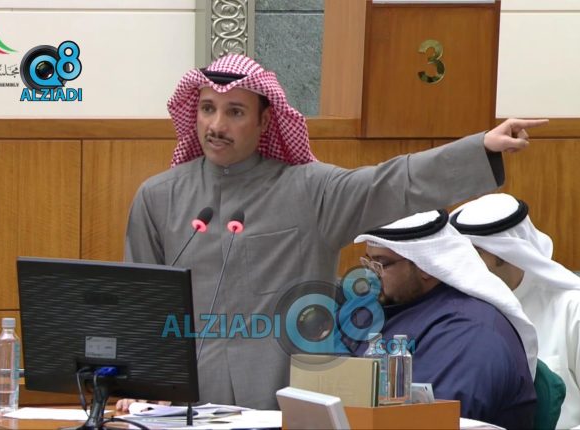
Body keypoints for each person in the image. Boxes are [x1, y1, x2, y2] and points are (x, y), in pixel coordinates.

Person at [123, 53, 547, 410]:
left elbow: (392, 183)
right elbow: (140, 306)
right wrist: (138, 385)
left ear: (266, 120)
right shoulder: (158, 198)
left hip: (284, 401)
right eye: (207, 109)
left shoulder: (311, 192)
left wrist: (478, 150)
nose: (216, 125)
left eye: (235, 112)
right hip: (183, 405)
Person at [450, 193, 580, 429]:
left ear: (504, 253)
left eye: (474, 253)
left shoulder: (573, 307)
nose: (462, 265)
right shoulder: (457, 312)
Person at [352, 210, 537, 429]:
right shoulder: (380, 307)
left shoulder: (471, 332)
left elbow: (430, 420)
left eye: (381, 264)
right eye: (368, 263)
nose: (370, 275)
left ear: (425, 267)